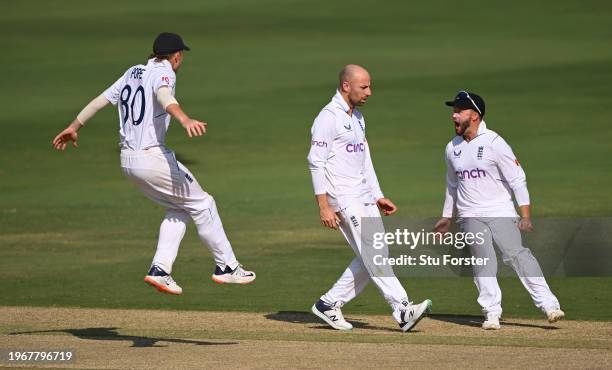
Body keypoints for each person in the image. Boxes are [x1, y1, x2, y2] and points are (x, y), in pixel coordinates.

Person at [52, 32, 255, 295]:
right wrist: (184, 120)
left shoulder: (133, 71)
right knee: (204, 204)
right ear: (177, 56)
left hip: (128, 162)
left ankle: (160, 270)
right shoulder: (165, 72)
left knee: (178, 209)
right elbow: (163, 96)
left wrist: (74, 126)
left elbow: (101, 100)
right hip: (151, 157)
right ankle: (226, 267)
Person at [307, 64, 431, 332]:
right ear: (345, 86)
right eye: (364, 87)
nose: (369, 92)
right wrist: (324, 206)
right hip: (343, 197)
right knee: (375, 254)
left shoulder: (358, 117)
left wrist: (378, 196)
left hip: (363, 195)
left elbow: (365, 161)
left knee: (374, 254)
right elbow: (315, 162)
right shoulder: (328, 118)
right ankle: (402, 309)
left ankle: (329, 304)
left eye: (370, 86)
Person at [434, 90, 564, 329]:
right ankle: (491, 313)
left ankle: (549, 305)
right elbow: (452, 184)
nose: (453, 116)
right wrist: (446, 217)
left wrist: (525, 215)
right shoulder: (452, 148)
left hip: (500, 211)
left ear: (474, 115)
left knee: (517, 256)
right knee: (483, 262)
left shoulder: (495, 143)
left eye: (458, 111)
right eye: (453, 111)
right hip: (469, 215)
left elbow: (518, 179)